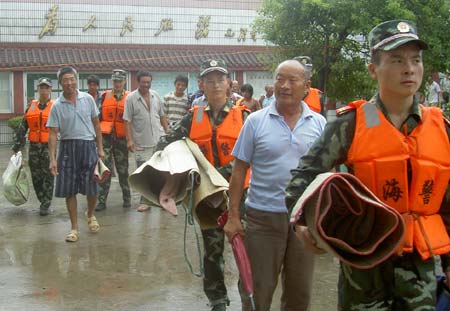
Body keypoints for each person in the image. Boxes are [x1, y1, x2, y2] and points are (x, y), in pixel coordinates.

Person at [285, 20, 450, 310]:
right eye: (397, 60)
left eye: (416, 60)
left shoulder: (441, 128)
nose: (409, 69)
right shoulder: (351, 124)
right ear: (373, 69)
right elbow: (304, 176)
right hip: (363, 267)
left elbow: (447, 201)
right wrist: (302, 224)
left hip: (419, 269)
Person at [224, 59, 326, 310]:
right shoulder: (256, 121)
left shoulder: (319, 124)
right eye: (280, 78)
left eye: (293, 80)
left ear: (307, 87)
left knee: (299, 293)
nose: (285, 85)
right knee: (258, 290)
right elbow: (238, 172)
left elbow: (326, 174)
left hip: (303, 220)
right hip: (263, 219)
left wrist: (324, 220)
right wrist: (233, 216)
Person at [157, 59, 250, 311]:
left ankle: (249, 296)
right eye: (210, 80)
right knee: (212, 251)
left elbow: (256, 155)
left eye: (220, 79)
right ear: (202, 85)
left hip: (241, 196)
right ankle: (217, 299)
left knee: (246, 250)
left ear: (229, 84)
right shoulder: (193, 117)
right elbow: (166, 142)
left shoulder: (245, 117)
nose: (216, 85)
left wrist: (221, 173)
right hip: (208, 197)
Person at [47, 66, 104, 243]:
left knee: (92, 187)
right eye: (65, 80)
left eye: (72, 79)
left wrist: (100, 149)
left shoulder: (87, 99)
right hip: (67, 148)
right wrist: (52, 159)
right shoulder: (57, 105)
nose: (69, 83)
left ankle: (90, 213)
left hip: (88, 146)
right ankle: (74, 228)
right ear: (60, 83)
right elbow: (53, 133)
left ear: (76, 80)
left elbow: (96, 125)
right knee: (69, 189)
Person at [123, 70, 169, 212]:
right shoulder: (131, 98)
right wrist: (129, 140)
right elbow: (127, 121)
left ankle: (163, 200)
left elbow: (162, 116)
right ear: (138, 82)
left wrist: (168, 133)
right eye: (143, 82)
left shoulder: (155, 95)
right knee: (144, 173)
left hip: (158, 140)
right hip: (140, 142)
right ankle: (145, 201)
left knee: (161, 172)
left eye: (148, 82)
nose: (146, 85)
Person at [12, 77, 55, 216]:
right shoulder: (31, 106)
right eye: (41, 87)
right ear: (38, 89)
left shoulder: (55, 106)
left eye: (46, 87)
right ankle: (42, 199)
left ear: (50, 90)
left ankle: (46, 202)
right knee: (36, 176)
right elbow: (23, 126)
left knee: (48, 175)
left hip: (49, 146)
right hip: (34, 147)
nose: (43, 90)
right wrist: (17, 144)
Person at [96, 69, 131, 211]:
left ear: (124, 82)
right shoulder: (103, 97)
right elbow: (96, 118)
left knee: (123, 170)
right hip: (106, 139)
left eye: (120, 81)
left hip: (122, 139)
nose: (117, 84)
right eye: (115, 81)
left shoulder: (130, 97)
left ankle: (127, 198)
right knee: (105, 169)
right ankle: (102, 201)